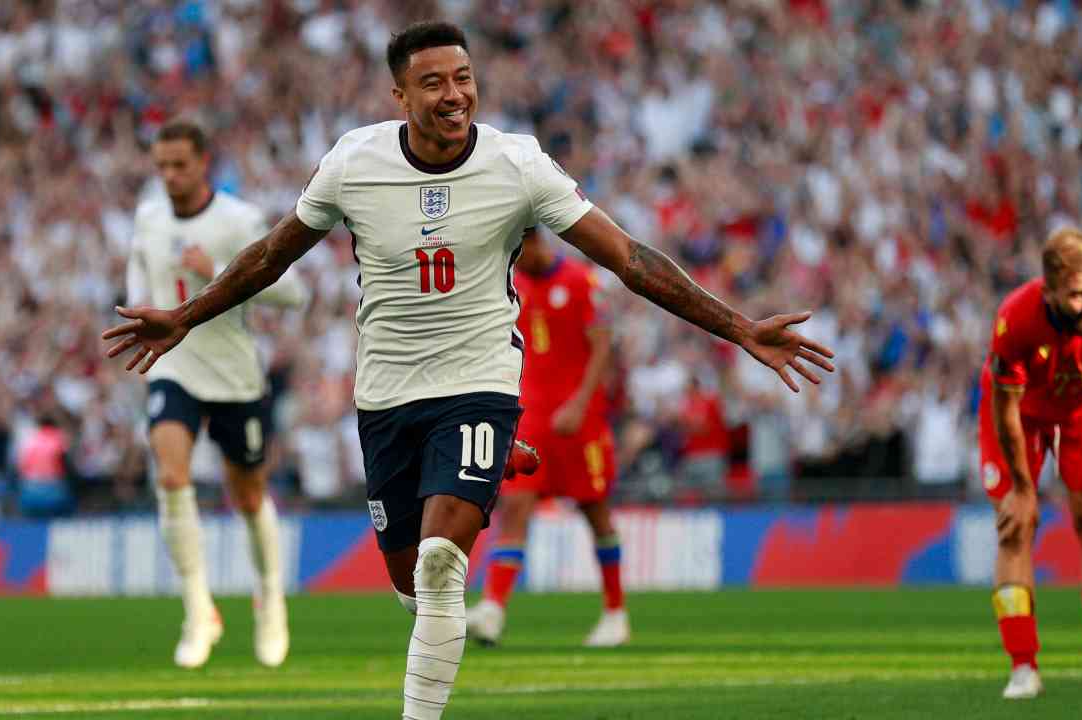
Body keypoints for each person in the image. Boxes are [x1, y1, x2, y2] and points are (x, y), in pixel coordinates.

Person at [103, 22, 833, 719]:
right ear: (400, 97)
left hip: (478, 382)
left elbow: (629, 258)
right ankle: (479, 461)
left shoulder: (518, 164)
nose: (454, 94)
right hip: (387, 395)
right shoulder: (354, 162)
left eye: (463, 78)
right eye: (433, 83)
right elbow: (271, 255)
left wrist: (739, 327)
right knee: (412, 589)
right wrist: (187, 315)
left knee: (440, 568)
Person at [124, 120, 309, 669]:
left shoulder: (239, 220)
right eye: (161, 166)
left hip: (233, 373)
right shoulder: (148, 219)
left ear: (204, 162)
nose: (169, 176)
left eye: (179, 164)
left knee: (248, 498)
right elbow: (139, 279)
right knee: (171, 476)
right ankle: (198, 610)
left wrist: (223, 274)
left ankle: (270, 601)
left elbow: (294, 294)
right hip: (174, 366)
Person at [978, 227, 1082, 699]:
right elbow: (1006, 408)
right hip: (1020, 416)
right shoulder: (1015, 318)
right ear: (1049, 292)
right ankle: (1023, 667)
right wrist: (1022, 488)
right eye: (1078, 295)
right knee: (1016, 526)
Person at [467, 227, 628, 647]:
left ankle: (615, 613)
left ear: (536, 241)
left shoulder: (581, 281)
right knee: (516, 505)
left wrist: (579, 404)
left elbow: (602, 347)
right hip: (531, 418)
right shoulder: (511, 286)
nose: (517, 259)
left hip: (581, 419)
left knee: (595, 510)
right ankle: (493, 609)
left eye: (520, 250)